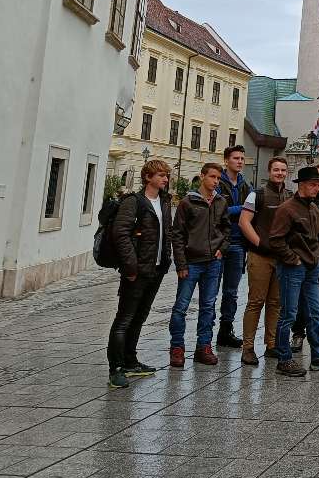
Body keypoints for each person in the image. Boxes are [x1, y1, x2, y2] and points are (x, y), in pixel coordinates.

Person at [269, 166, 319, 376]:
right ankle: (284, 359)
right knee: (289, 314)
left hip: (312, 266)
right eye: (313, 184)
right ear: (302, 185)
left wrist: (316, 257)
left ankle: (318, 357)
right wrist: (292, 259)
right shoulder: (287, 209)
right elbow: (275, 240)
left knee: (315, 312)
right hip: (293, 268)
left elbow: (316, 239)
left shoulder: (314, 209)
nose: (317, 187)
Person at [107, 159, 173, 389]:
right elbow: (120, 234)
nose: (165, 179)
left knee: (140, 317)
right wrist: (131, 266)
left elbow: (167, 234)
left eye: (166, 175)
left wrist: (166, 260)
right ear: (148, 177)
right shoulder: (134, 202)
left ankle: (130, 360)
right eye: (161, 175)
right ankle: (115, 368)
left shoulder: (164, 202)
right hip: (137, 270)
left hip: (156, 268)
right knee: (124, 319)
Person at [168, 162, 230, 369]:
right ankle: (177, 347)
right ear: (202, 176)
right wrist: (181, 263)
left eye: (218, 178)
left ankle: (204, 346)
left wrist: (223, 248)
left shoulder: (221, 202)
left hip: (213, 262)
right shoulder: (188, 202)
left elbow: (226, 228)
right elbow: (177, 235)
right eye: (212, 177)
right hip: (191, 262)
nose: (215, 181)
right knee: (181, 307)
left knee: (208, 306)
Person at [238, 157, 292, 365]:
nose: (280, 173)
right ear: (269, 171)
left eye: (283, 170)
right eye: (276, 170)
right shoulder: (257, 194)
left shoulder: (290, 196)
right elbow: (244, 222)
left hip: (280, 257)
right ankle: (248, 348)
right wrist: (259, 244)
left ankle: (271, 344)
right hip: (260, 255)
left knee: (276, 303)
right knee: (255, 302)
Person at [292, 161, 319, 353]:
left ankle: (318, 331)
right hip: (301, 255)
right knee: (301, 296)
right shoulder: (297, 202)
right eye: (316, 179)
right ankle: (298, 332)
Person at [215, 144, 251, 347]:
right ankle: (205, 335)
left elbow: (251, 211)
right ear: (227, 160)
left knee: (231, 291)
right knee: (211, 291)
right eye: (236, 158)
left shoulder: (245, 185)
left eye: (242, 159)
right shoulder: (218, 182)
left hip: (238, 244)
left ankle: (225, 330)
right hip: (219, 243)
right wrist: (242, 208)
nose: (239, 162)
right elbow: (219, 210)